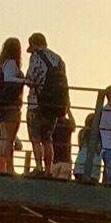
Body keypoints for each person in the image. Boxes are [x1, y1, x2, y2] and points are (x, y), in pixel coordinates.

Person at [24, 33, 68, 177]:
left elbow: (30, 78)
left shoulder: (36, 57)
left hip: (37, 104)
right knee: (47, 139)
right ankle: (49, 170)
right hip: (54, 105)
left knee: (36, 139)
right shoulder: (59, 59)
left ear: (34, 44)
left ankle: (38, 168)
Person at [0, 37, 25, 173]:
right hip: (11, 106)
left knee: (4, 137)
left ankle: (2, 167)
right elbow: (10, 79)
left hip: (2, 107)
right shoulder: (11, 63)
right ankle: (8, 168)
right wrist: (24, 80)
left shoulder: (1, 66)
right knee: (8, 139)